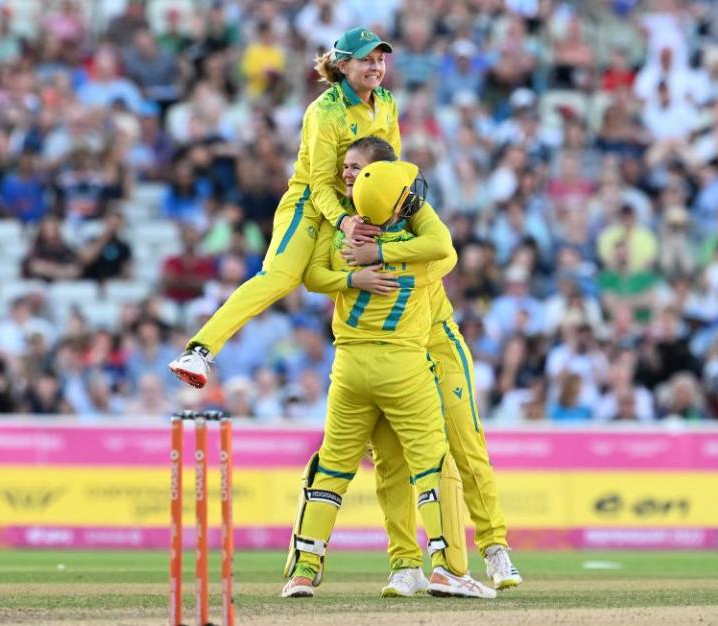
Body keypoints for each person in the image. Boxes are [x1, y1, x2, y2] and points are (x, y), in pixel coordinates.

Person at [170, 28, 447, 388]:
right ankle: (199, 350)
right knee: (280, 277)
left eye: (380, 59)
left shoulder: (388, 102)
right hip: (311, 206)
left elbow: (390, 167)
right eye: (367, 59)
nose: (376, 66)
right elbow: (319, 183)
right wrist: (346, 222)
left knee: (390, 274)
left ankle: (401, 380)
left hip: (357, 209)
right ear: (344, 65)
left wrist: (390, 210)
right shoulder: (324, 112)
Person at [303, 136, 521, 594]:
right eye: (345, 167)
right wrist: (351, 268)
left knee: (464, 445)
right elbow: (316, 277)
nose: (348, 174)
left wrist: (377, 253)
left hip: (434, 340)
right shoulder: (344, 216)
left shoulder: (411, 205)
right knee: (391, 461)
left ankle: (494, 549)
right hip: (386, 351)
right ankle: (405, 563)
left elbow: (448, 252)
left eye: (358, 167)